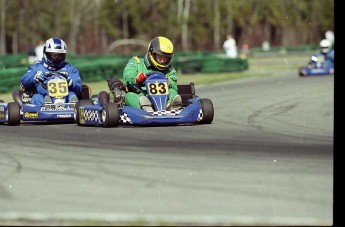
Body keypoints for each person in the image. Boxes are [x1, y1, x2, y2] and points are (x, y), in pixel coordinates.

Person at [122, 36, 181, 111]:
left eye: (166, 58)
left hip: (164, 99)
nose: (163, 61)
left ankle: (170, 106)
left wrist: (168, 82)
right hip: (141, 94)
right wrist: (136, 79)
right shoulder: (136, 62)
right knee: (129, 96)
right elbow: (127, 77)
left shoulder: (170, 70)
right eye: (160, 56)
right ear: (151, 53)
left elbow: (174, 86)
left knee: (173, 92)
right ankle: (145, 107)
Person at [20, 37, 82, 106]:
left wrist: (73, 83)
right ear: (46, 54)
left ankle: (73, 106)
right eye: (54, 55)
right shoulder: (37, 67)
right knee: (36, 97)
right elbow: (24, 80)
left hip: (65, 98)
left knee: (72, 94)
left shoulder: (70, 68)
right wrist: (35, 77)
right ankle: (47, 105)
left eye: (60, 56)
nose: (57, 58)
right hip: (44, 95)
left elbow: (79, 87)